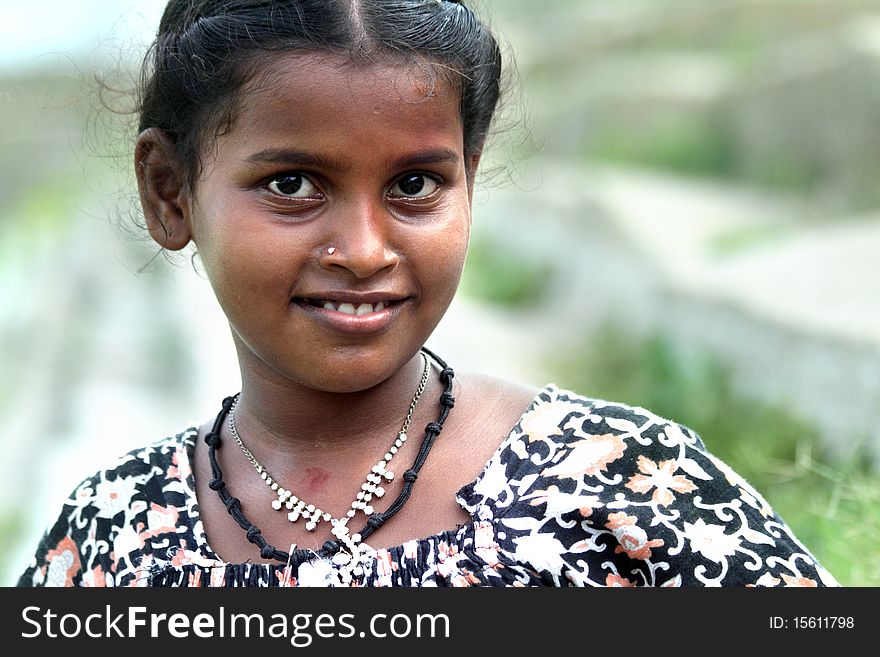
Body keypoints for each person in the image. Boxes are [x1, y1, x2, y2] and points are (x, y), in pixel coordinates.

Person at [18, 0, 837, 588]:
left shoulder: (622, 488)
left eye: (414, 183)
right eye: (293, 183)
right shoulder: (113, 540)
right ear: (171, 193)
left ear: (468, 183)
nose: (366, 250)